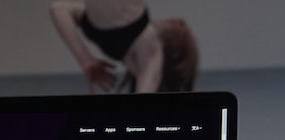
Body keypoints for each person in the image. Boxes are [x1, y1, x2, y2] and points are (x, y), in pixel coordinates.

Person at [49, 0, 197, 93]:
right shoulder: (151, 51)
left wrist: (86, 61)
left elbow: (58, 8)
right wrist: (86, 60)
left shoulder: (128, 45)